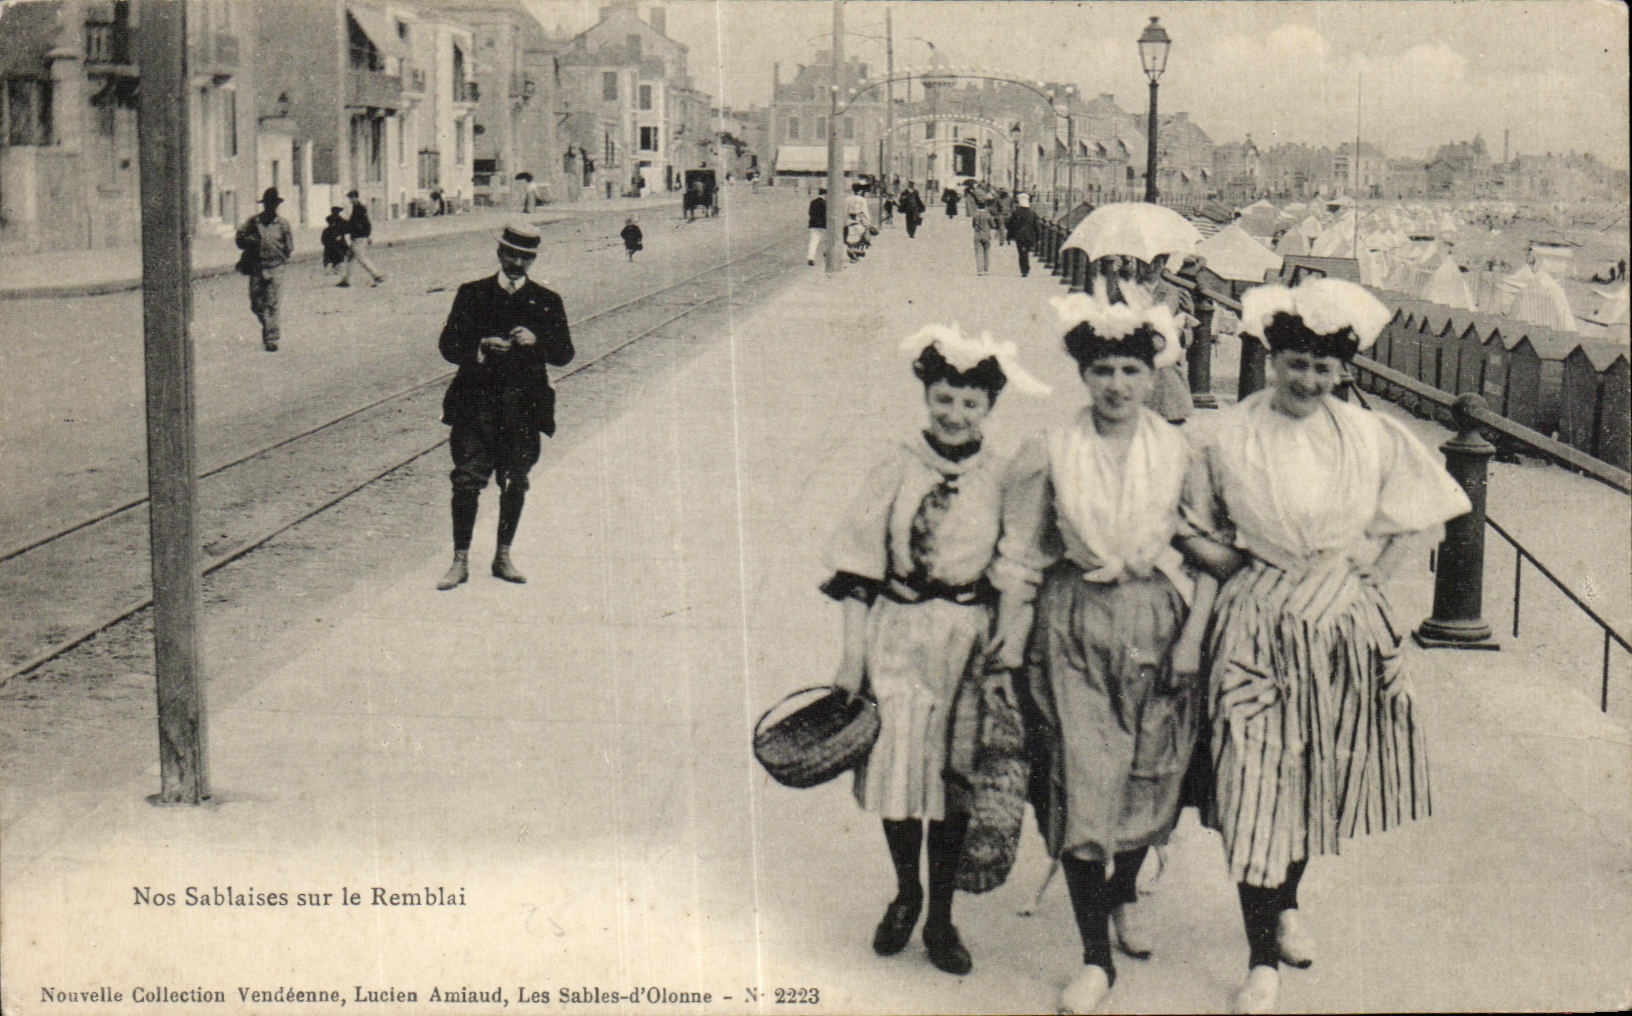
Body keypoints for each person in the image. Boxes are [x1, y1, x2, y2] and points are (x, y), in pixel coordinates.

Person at [1179, 278, 1471, 1014]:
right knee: (1251, 779)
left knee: (1314, 771)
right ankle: (1258, 960)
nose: (1305, 379)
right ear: (1270, 359)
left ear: (1342, 370)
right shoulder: (1228, 437)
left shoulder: (1368, 436)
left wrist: (1375, 579)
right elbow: (1194, 529)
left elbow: (1420, 508)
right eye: (1292, 362)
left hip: (1340, 623)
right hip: (1255, 621)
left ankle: (1286, 904)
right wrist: (1235, 574)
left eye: (1320, 366)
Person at [1006, 295, 1218, 1014]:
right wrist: (1010, 637)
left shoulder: (1179, 451)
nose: (1117, 385)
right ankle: (1095, 958)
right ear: (1083, 375)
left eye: (1131, 369)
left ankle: (1124, 892)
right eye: (1102, 370)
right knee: (1083, 782)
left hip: (1157, 622)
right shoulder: (1051, 449)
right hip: (1075, 623)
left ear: (1153, 374)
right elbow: (1022, 553)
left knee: (1149, 777)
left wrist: (1193, 637)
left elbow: (1209, 553)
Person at [823, 324, 1049, 978]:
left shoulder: (1002, 475)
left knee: (953, 779)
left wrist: (1009, 632)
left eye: (970, 404)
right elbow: (858, 560)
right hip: (898, 632)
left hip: (966, 641)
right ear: (928, 397)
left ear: (989, 409)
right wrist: (851, 652)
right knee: (898, 771)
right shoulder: (896, 464)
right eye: (944, 399)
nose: (955, 415)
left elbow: (1016, 561)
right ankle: (906, 891)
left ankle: (942, 914)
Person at [434, 222, 575, 590]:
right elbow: (448, 346)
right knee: (466, 482)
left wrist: (537, 340)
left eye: (525, 257)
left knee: (515, 483)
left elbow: (565, 354)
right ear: (499, 254)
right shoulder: (472, 294)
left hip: (523, 410)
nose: (517, 262)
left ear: (532, 260)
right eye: (511, 254)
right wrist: (479, 346)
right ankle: (459, 560)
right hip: (475, 406)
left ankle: (503, 556)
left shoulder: (547, 300)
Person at [235, 187, 295, 352]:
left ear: (276, 206)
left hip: (276, 267)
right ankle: (269, 325)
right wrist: (250, 240)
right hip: (257, 267)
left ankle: (271, 338)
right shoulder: (253, 222)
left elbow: (289, 247)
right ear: (264, 205)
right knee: (256, 304)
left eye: (273, 204)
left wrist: (280, 257)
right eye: (268, 204)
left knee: (272, 303)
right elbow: (239, 239)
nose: (270, 207)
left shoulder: (283, 224)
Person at [338, 188, 385, 288]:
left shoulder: (359, 208)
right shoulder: (357, 208)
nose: (350, 200)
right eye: (350, 198)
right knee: (350, 257)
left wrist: (366, 235)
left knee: (360, 257)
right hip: (358, 236)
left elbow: (362, 223)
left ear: (355, 197)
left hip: (359, 236)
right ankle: (346, 280)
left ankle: (377, 275)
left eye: (351, 197)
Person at [1007, 193, 1039, 278]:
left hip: (1019, 236)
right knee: (1026, 252)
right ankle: (1026, 267)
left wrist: (1009, 237)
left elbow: (1011, 225)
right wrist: (1038, 237)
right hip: (1029, 236)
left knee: (1021, 253)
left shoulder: (1016, 213)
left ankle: (1024, 269)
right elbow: (1036, 226)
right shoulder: (1032, 213)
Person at [320, 206, 348, 275]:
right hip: (338, 242)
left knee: (330, 257)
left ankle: (331, 268)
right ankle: (336, 269)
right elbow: (345, 228)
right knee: (339, 256)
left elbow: (323, 240)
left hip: (331, 245)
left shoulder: (328, 227)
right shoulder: (340, 220)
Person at [971, 201, 996, 276]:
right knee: (986, 252)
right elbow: (993, 225)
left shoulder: (975, 215)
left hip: (977, 235)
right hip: (986, 235)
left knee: (979, 253)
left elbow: (973, 225)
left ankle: (979, 270)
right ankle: (986, 269)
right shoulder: (988, 215)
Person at [807, 188, 828, 266]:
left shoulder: (813, 202)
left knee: (813, 242)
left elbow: (810, 213)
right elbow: (826, 215)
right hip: (823, 225)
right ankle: (826, 254)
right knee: (826, 241)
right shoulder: (825, 203)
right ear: (825, 194)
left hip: (813, 225)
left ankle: (810, 258)